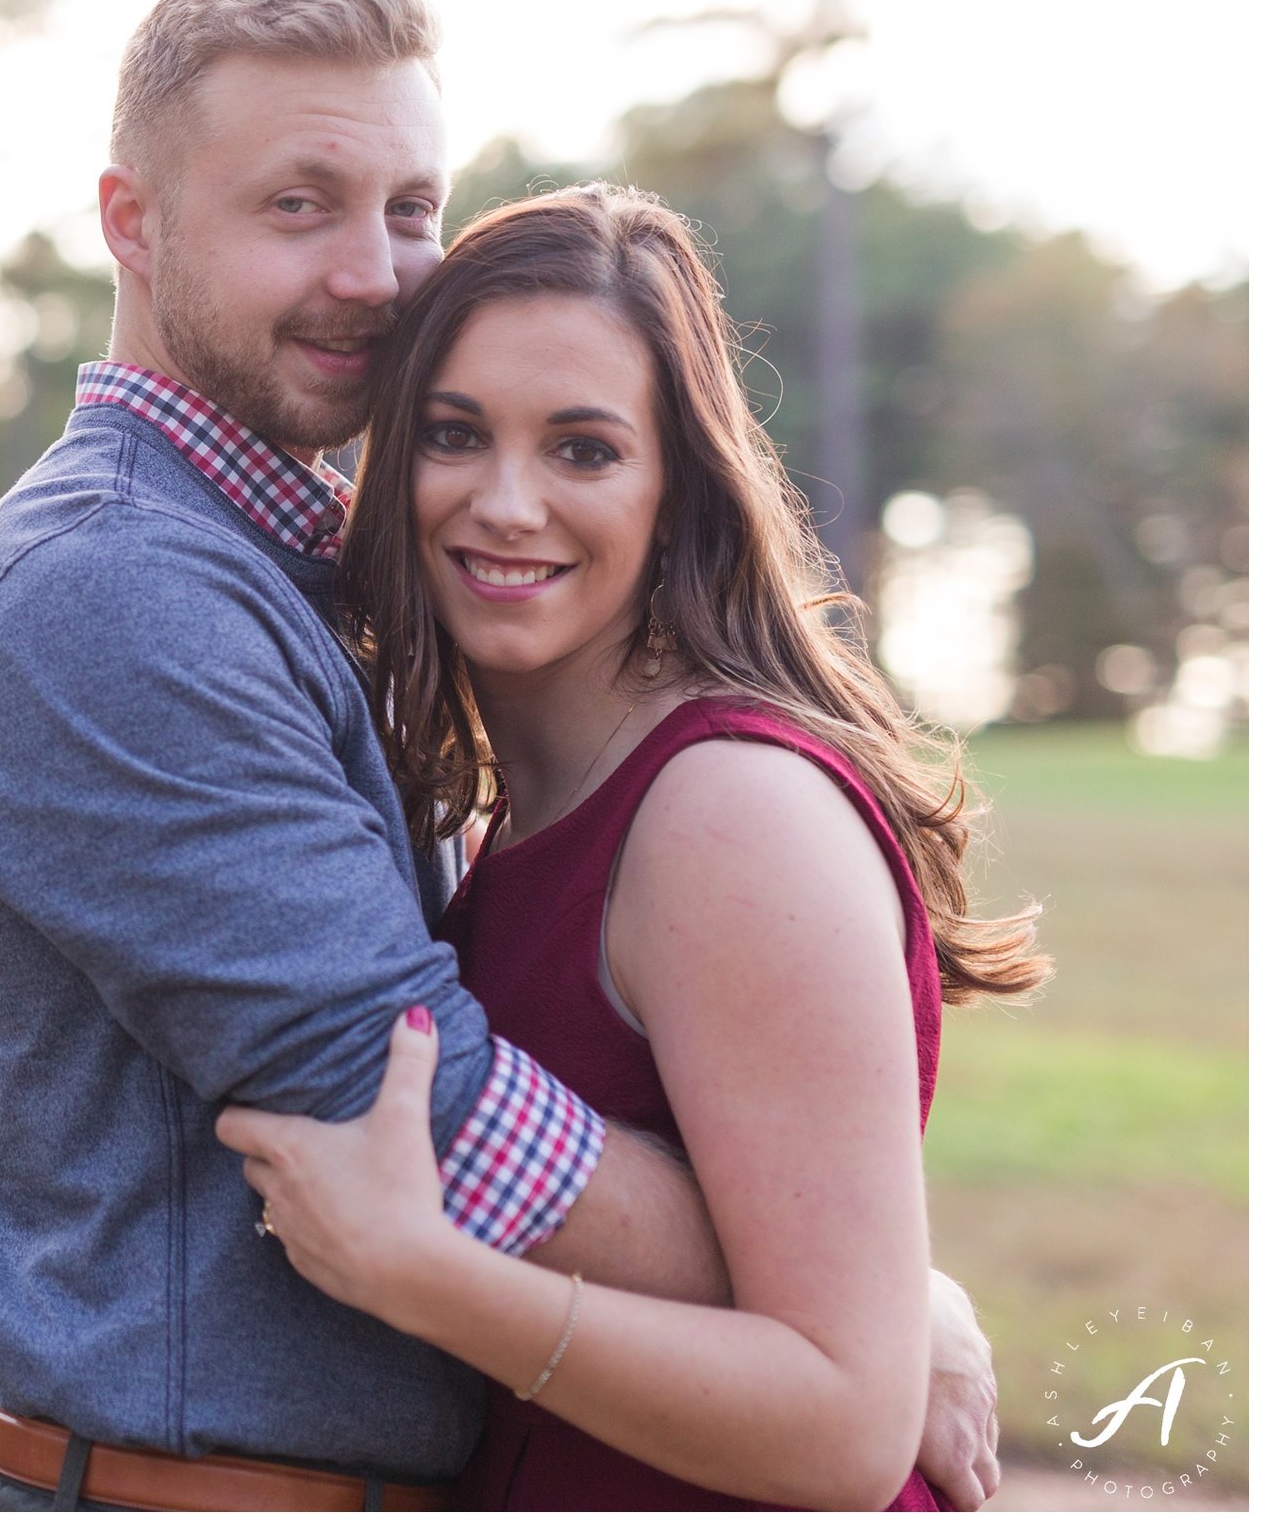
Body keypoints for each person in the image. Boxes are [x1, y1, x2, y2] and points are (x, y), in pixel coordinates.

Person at [0, 0, 1001, 1511]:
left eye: (410, 207)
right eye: (301, 203)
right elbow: (393, 1086)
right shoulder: (112, 588)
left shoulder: (304, 573)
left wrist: (858, 1296)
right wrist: (860, 1303)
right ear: (132, 223)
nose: (377, 272)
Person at [217, 182, 1051, 1508]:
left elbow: (843, 1427)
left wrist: (425, 1272)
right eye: (454, 432)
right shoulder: (516, 812)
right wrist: (919, 1292)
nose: (506, 501)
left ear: (678, 485)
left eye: (584, 449)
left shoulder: (728, 812)